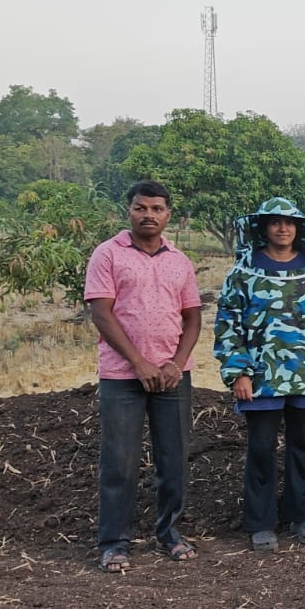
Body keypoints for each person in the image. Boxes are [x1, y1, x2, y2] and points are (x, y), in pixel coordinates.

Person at [85, 180, 203, 573]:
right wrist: (139, 363)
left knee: (174, 459)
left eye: (156, 209)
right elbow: (101, 313)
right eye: (141, 208)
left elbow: (193, 317)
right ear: (129, 211)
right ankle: (114, 542)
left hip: (172, 376)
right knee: (120, 461)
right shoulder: (108, 255)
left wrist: (176, 362)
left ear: (169, 215)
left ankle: (169, 532)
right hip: (122, 376)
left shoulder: (180, 261)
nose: (148, 215)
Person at [214, 197, 305, 551]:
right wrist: (238, 372)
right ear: (262, 228)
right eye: (275, 222)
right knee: (261, 448)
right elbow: (228, 324)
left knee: (303, 446)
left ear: (299, 229)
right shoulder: (243, 273)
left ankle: (303, 517)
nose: (283, 229)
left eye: (289, 223)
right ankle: (261, 522)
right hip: (260, 380)